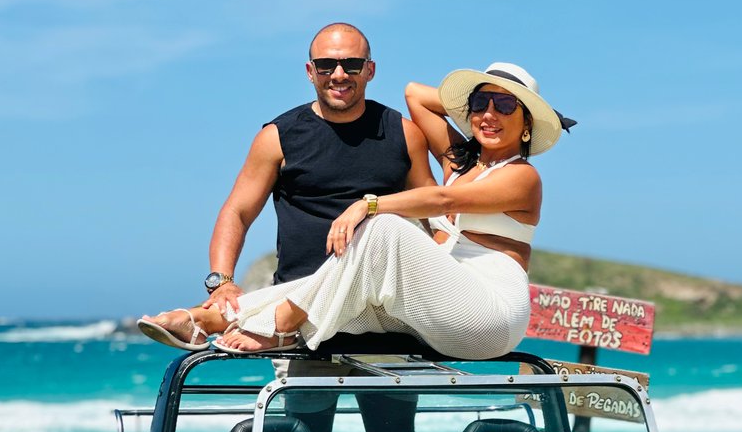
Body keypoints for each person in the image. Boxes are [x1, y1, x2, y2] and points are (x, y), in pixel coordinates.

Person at [138, 22, 434, 432]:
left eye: (351, 64)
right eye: (327, 65)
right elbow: (237, 210)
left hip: (382, 315)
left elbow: (431, 209)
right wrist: (221, 282)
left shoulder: (402, 132)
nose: (339, 74)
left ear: (370, 70)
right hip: (297, 315)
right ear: (310, 72)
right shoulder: (279, 136)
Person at [199, 62, 573, 358]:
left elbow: (444, 200)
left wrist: (369, 204)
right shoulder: (460, 166)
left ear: (527, 122)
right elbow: (415, 95)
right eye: (480, 103)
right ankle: (216, 317)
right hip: (449, 308)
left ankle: (280, 323)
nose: (490, 114)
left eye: (506, 106)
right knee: (353, 301)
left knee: (384, 228)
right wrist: (480, 111)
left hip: (492, 314)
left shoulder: (523, 177)